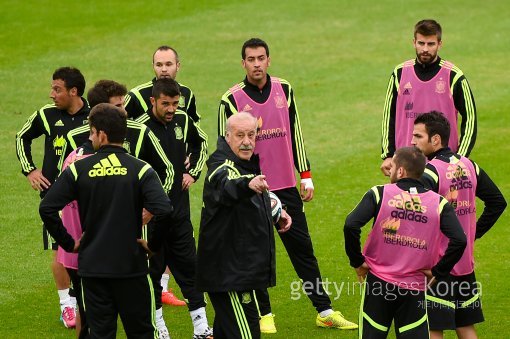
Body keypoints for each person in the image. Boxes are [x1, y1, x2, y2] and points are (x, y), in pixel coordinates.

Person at [217, 37, 357, 332]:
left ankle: (325, 310)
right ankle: (264, 314)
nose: (256, 64)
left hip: (285, 186)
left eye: (261, 58)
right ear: (243, 63)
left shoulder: (285, 89)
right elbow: (223, 149)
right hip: (253, 189)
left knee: (303, 250)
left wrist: (305, 175)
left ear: (269, 60)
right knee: (257, 251)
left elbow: (295, 133)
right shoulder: (230, 99)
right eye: (251, 59)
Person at [39, 103, 173, 338]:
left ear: (101, 134)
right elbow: (164, 210)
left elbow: (47, 207)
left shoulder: (79, 169)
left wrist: (69, 243)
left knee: (100, 333)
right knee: (141, 332)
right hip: (131, 266)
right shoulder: (141, 169)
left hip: (93, 268)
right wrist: (153, 246)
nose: (91, 137)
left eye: (91, 132)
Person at [344, 146, 467, 338]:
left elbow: (351, 225)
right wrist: (438, 272)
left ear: (400, 170)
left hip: (379, 285)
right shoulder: (439, 203)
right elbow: (460, 240)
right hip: (414, 288)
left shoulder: (379, 193)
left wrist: (357, 261)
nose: (390, 171)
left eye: (392, 166)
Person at [411, 111, 507, 339]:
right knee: (465, 326)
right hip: (465, 263)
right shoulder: (469, 165)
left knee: (433, 329)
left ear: (435, 139)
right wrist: (472, 235)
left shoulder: (431, 172)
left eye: (418, 136)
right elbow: (497, 202)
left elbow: (416, 216)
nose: (412, 141)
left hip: (438, 266)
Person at [197, 112, 292, 339]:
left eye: (251, 135)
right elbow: (228, 185)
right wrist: (247, 184)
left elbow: (244, 209)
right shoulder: (224, 167)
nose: (247, 141)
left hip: (237, 273)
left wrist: (276, 213)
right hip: (230, 277)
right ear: (227, 136)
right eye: (240, 135)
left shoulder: (245, 164)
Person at [136, 78, 212, 339]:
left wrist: (193, 172)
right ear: (152, 101)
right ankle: (160, 330)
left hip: (179, 214)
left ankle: (201, 327)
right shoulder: (140, 130)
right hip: (152, 219)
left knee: (191, 269)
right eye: (165, 104)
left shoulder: (183, 120)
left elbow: (201, 142)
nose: (171, 109)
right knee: (152, 274)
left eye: (175, 104)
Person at [15, 66, 90, 328]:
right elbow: (21, 137)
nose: (51, 94)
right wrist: (30, 170)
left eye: (57, 89)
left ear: (74, 91)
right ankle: (66, 305)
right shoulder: (46, 115)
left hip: (87, 197)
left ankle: (84, 299)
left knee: (87, 246)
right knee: (61, 250)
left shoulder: (94, 115)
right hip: (55, 198)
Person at [380, 19, 477, 176]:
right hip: (405, 162)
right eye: (421, 43)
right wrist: (388, 154)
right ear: (414, 42)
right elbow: (388, 117)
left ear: (440, 44)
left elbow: (470, 118)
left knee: (443, 202)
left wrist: (459, 159)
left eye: (431, 44)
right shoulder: (399, 74)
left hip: (444, 166)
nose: (425, 49)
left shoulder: (453, 75)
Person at [65, 80, 174, 196]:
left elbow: (167, 170)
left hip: (130, 211)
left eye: (123, 104)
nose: (125, 112)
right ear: (100, 109)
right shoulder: (74, 137)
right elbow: (61, 179)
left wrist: (152, 205)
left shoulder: (140, 131)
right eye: (118, 106)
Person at [124, 45, 201, 123]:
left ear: (178, 66)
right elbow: (116, 122)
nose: (164, 69)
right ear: (153, 66)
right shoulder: (136, 95)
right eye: (159, 65)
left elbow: (195, 124)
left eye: (168, 64)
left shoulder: (187, 93)